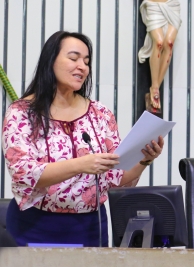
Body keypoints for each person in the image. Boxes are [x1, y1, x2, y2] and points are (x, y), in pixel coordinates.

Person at [2, 31, 164, 247]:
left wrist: (144, 161)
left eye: (86, 62)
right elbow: (23, 172)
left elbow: (115, 178)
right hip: (34, 225)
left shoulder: (101, 114)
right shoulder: (22, 113)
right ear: (51, 61)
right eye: (73, 58)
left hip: (89, 227)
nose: (82, 67)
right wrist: (82, 164)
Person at [138, 0, 182, 113]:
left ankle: (155, 88)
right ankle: (155, 88)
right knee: (159, 42)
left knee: (170, 43)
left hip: (172, 5)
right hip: (154, 5)